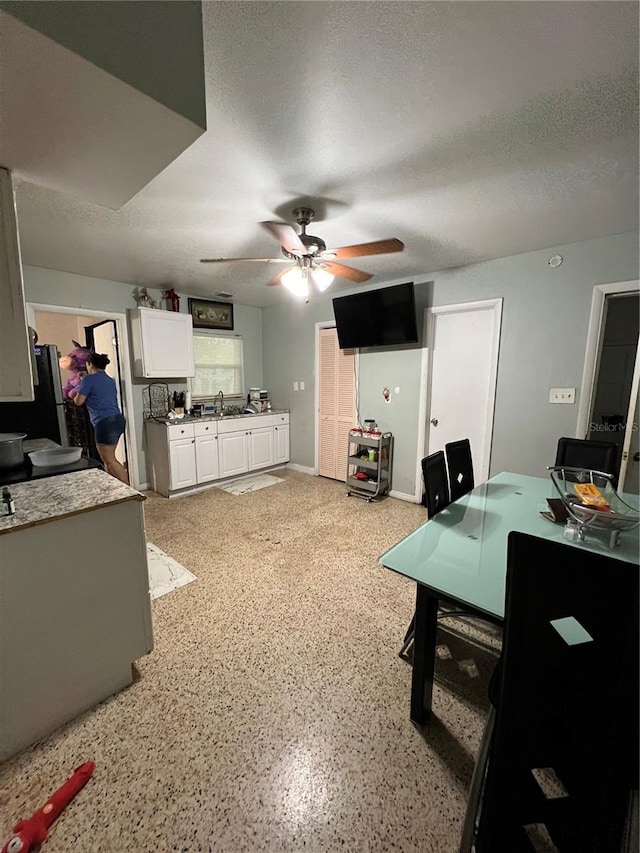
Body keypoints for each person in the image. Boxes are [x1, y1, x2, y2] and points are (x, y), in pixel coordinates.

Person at [74, 352, 128, 484]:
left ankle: (129, 491)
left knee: (110, 459)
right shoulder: (109, 380)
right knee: (108, 460)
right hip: (117, 420)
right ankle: (113, 487)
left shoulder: (88, 380)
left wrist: (81, 385)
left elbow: (79, 401)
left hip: (104, 423)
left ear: (89, 364)